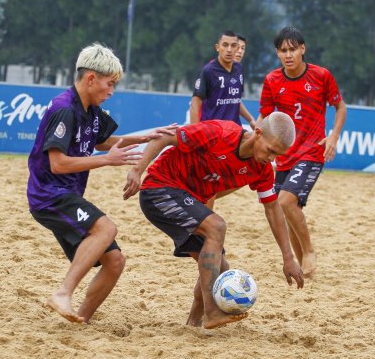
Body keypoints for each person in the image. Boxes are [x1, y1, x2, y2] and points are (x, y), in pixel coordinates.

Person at [26, 43, 176, 324]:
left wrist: (145, 137)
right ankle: (63, 293)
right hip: (49, 195)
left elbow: (103, 141)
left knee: (115, 261)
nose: (111, 91)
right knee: (106, 227)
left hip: (67, 194)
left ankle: (79, 319)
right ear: (91, 78)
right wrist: (107, 160)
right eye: (110, 84)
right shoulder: (64, 109)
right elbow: (58, 163)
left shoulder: (92, 110)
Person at [123, 113, 305, 330]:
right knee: (217, 226)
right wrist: (137, 169)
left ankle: (193, 324)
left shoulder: (261, 169)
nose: (272, 159)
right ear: (257, 133)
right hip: (160, 189)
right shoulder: (220, 133)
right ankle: (212, 311)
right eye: (271, 150)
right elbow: (165, 137)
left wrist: (288, 258)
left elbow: (273, 208)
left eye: (278, 155)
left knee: (220, 266)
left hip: (188, 199)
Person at [257, 27, 347, 279]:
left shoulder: (321, 76)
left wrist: (334, 136)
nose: (288, 54)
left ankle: (308, 251)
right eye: (283, 50)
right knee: (284, 208)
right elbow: (264, 114)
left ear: (302, 49)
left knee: (285, 201)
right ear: (277, 53)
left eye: (293, 49)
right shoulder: (272, 80)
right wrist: (257, 134)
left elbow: (340, 107)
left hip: (312, 151)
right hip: (283, 155)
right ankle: (303, 267)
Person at [189, 30, 256, 130]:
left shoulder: (239, 69)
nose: (229, 50)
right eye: (225, 45)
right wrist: (193, 133)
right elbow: (195, 104)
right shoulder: (208, 71)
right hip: (213, 132)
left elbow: (235, 99)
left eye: (233, 46)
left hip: (235, 131)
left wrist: (251, 119)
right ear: (217, 47)